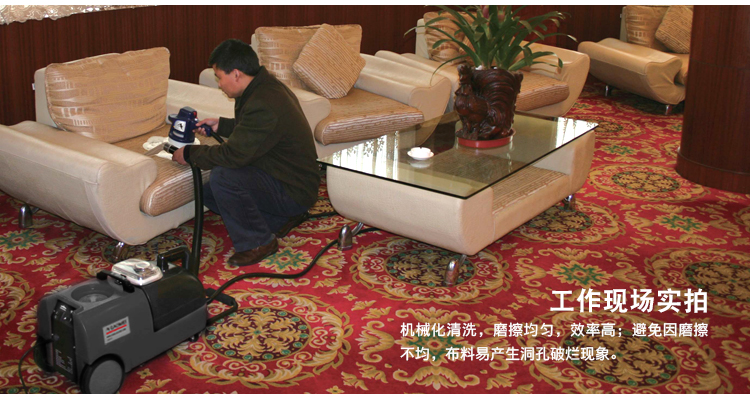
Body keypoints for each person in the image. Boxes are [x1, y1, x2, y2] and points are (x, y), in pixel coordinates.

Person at [172, 39, 320, 266]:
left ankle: (258, 243)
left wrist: (190, 153)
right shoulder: (261, 86)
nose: (219, 85)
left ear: (236, 74)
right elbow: (255, 130)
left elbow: (233, 155)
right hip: (281, 174)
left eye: (219, 77)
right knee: (209, 193)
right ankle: (282, 219)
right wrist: (221, 125)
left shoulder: (264, 102)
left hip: (294, 189)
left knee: (224, 178)